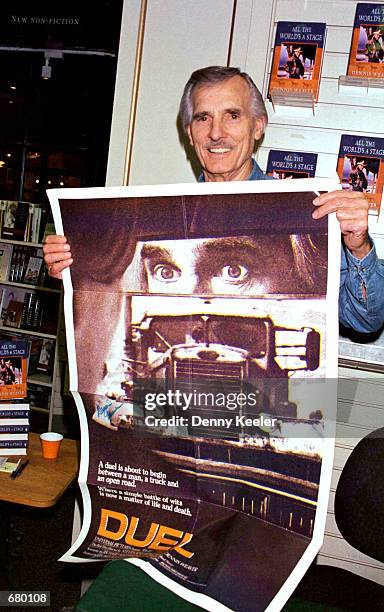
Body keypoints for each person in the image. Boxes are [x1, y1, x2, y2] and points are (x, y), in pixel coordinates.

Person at [44, 65, 384, 333]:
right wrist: (76, 270)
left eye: (232, 115)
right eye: (203, 118)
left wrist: (358, 246)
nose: (216, 132)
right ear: (190, 133)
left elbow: (366, 321)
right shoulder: (154, 217)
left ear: (258, 127)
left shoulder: (307, 214)